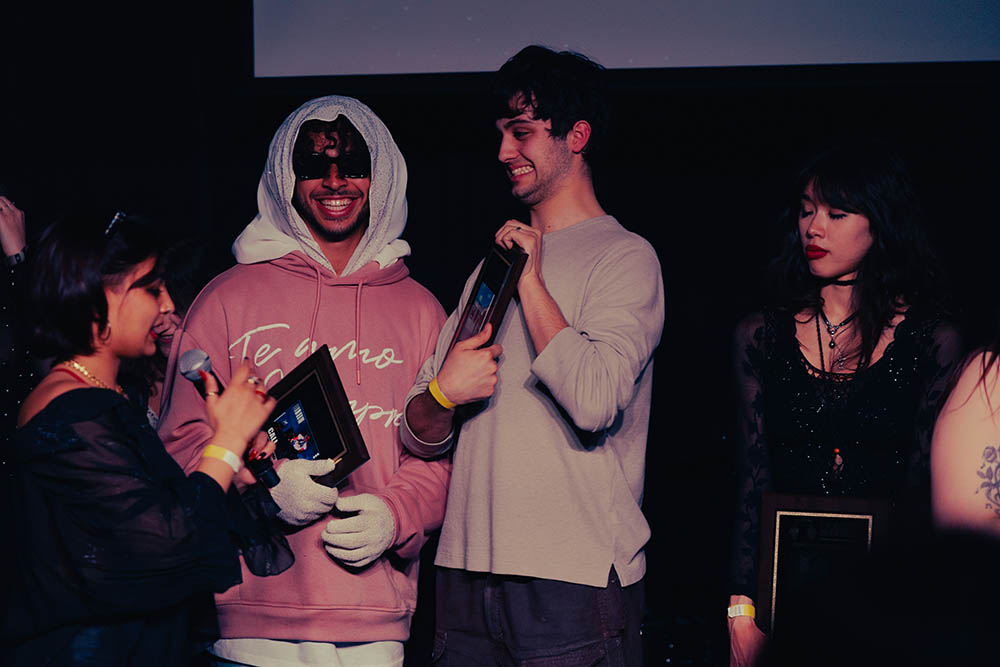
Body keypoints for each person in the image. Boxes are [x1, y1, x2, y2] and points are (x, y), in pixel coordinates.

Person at [158, 95, 449, 667]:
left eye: (352, 164)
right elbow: (180, 441)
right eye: (314, 165)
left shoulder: (422, 311)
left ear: (382, 174)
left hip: (376, 624)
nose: (334, 181)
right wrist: (261, 490)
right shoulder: (227, 298)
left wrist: (397, 516)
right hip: (251, 618)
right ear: (286, 178)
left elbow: (440, 456)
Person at [401, 46, 665, 665]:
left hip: (569, 579)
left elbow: (595, 399)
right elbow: (418, 427)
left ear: (577, 135)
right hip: (465, 576)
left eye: (522, 133)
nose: (503, 153)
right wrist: (444, 394)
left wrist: (531, 279)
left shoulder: (625, 257)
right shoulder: (488, 268)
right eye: (500, 135)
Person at [4, 210, 276, 666]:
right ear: (96, 298)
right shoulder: (70, 412)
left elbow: (147, 520)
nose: (167, 305)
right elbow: (163, 545)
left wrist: (233, 473)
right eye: (151, 288)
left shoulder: (106, 396)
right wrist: (225, 442)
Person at [727, 144, 963, 666]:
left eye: (837, 213)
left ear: (880, 223)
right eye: (807, 210)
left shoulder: (931, 341)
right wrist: (740, 611)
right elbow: (751, 482)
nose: (814, 228)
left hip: (889, 605)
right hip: (784, 599)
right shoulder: (761, 335)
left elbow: (926, 494)